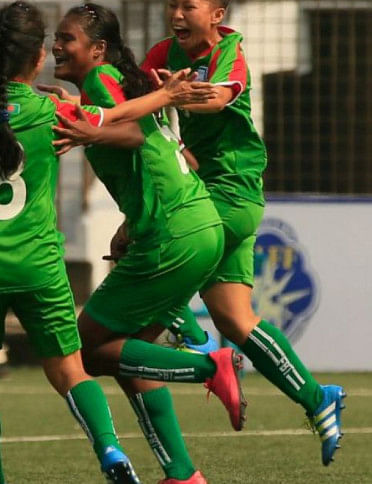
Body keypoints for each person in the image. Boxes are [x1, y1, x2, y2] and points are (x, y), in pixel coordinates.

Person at [0, 2, 218, 482]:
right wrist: (167, 95)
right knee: (71, 370)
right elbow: (116, 114)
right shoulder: (53, 109)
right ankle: (111, 450)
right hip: (38, 264)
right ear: (36, 59)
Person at [141, 0, 346, 467]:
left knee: (153, 252)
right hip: (207, 189)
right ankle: (318, 398)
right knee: (235, 319)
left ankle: (192, 339)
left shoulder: (229, 52)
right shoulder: (162, 53)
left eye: (189, 6)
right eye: (172, 4)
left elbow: (216, 98)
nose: (176, 14)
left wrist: (167, 96)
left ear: (217, 15)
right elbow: (137, 97)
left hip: (230, 191)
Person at [45, 4, 242, 483]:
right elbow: (180, 158)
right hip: (199, 224)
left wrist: (90, 131)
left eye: (67, 39)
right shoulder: (117, 84)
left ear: (97, 49)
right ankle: (183, 474)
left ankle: (207, 366)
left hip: (172, 234)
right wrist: (134, 220)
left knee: (85, 351)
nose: (56, 46)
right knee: (127, 352)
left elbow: (133, 134)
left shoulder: (100, 81)